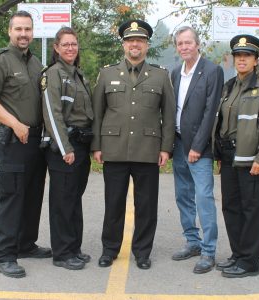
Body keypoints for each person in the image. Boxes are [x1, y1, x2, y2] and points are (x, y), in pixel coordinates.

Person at [91, 20, 176, 270]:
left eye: (139, 40)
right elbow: (98, 112)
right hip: (114, 148)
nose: (134, 44)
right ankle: (109, 249)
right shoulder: (107, 73)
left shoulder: (160, 75)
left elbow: (168, 115)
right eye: (130, 40)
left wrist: (166, 148)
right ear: (124, 44)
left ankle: (142, 252)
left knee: (146, 206)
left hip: (148, 150)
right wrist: (96, 145)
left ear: (147, 45)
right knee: (113, 203)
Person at [0, 11, 51, 278]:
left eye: (28, 29)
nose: (23, 34)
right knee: (13, 197)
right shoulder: (0, 62)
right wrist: (14, 123)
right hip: (12, 140)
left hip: (33, 140)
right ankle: (5, 255)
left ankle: (26, 245)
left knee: (32, 195)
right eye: (18, 29)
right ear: (10, 31)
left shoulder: (35, 63)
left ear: (33, 32)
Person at [212, 34, 259, 278]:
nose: (242, 59)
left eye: (247, 56)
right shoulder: (229, 87)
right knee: (231, 209)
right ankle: (238, 254)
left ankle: (250, 262)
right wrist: (218, 152)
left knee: (253, 210)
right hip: (230, 158)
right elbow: (221, 122)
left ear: (256, 60)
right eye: (238, 55)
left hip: (252, 160)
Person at [170, 26, 224, 274]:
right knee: (183, 195)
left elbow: (211, 112)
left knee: (203, 197)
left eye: (188, 42)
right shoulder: (175, 73)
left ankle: (208, 251)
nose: (184, 47)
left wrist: (197, 147)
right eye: (180, 43)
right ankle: (192, 242)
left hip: (198, 147)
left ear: (198, 44)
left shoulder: (212, 71)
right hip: (179, 143)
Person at [40, 27, 93, 270]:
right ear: (56, 48)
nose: (71, 48)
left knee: (74, 199)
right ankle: (62, 253)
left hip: (80, 145)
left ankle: (74, 248)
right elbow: (53, 114)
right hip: (65, 147)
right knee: (62, 201)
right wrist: (65, 148)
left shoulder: (77, 74)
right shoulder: (54, 74)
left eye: (74, 44)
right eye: (66, 44)